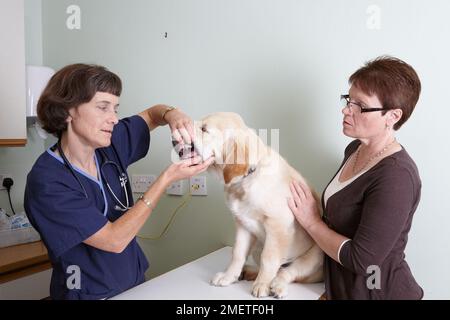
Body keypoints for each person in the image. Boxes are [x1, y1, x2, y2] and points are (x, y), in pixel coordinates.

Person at [24, 64, 214, 300]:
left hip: (134, 284)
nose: (114, 119)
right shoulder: (47, 181)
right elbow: (114, 240)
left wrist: (171, 114)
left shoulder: (109, 144)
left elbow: (153, 114)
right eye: (103, 108)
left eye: (115, 108)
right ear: (67, 111)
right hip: (88, 294)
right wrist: (166, 179)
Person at [287, 56, 423, 299]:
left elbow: (362, 260)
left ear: (392, 116)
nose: (346, 110)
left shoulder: (396, 177)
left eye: (360, 105)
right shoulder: (354, 150)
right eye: (349, 100)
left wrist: (311, 222)